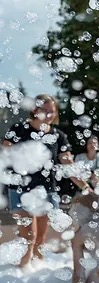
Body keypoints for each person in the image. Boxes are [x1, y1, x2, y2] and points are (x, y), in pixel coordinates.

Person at [1, 94, 78, 268]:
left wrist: (85, 184)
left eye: (52, 111)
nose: (49, 115)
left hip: (46, 189)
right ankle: (20, 271)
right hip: (21, 189)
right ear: (35, 110)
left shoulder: (58, 135)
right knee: (28, 235)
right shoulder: (19, 129)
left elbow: (67, 162)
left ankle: (36, 272)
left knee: (40, 238)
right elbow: (5, 153)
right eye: (45, 110)